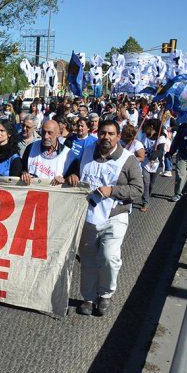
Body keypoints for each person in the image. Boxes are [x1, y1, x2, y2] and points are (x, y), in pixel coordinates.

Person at [67, 119, 143, 316]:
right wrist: (72, 176)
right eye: (102, 133)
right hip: (88, 216)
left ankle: (106, 294)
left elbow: (137, 191)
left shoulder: (128, 159)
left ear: (118, 137)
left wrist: (113, 191)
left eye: (110, 134)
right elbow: (74, 172)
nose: (106, 137)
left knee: (109, 257)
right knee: (88, 259)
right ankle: (88, 298)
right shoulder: (87, 152)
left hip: (114, 217)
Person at [20, 120, 74, 185]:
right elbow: (22, 169)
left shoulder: (68, 154)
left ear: (58, 134)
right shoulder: (31, 148)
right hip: (32, 192)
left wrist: (65, 179)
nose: (46, 136)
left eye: (50, 133)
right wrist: (24, 173)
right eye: (43, 132)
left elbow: (72, 178)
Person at [138, 119, 167, 212]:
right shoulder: (143, 136)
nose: (144, 129)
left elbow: (160, 151)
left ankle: (147, 196)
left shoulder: (161, 137)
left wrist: (154, 156)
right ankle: (145, 202)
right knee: (146, 183)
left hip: (157, 165)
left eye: (146, 127)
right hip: (145, 164)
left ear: (151, 127)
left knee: (151, 184)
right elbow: (139, 147)